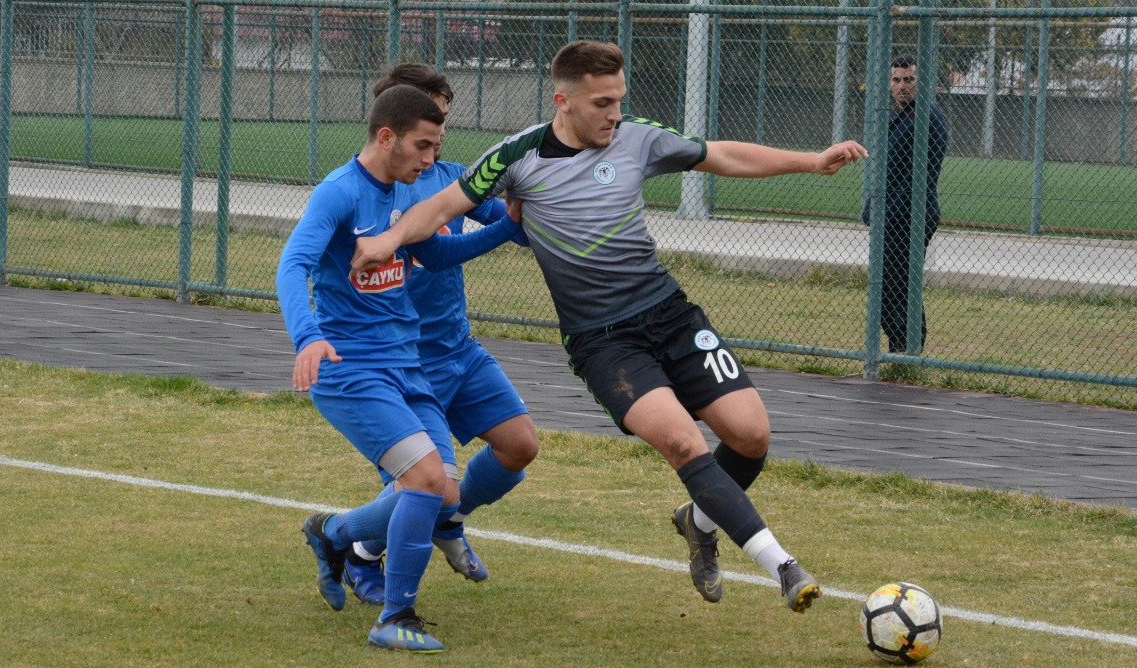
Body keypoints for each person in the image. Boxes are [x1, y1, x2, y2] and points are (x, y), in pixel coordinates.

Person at [353, 41, 868, 613]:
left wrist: (811, 160)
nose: (614, 113)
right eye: (602, 102)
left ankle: (697, 522)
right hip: (602, 340)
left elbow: (721, 155)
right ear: (563, 101)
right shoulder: (517, 156)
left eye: (619, 100)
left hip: (670, 315)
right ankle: (785, 567)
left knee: (751, 436)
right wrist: (388, 240)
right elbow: (442, 207)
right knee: (681, 440)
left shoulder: (638, 138)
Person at [274, 84, 520, 652]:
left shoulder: (407, 195)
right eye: (423, 145)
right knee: (426, 481)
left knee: (448, 495)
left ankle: (334, 533)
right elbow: (293, 265)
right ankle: (393, 617)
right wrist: (308, 336)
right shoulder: (338, 194)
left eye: (437, 147)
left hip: (408, 366)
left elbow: (435, 253)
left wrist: (510, 225)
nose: (431, 159)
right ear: (386, 137)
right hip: (352, 370)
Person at [335, 63, 539, 607]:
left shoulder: (454, 179)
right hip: (402, 362)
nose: (437, 140)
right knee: (421, 481)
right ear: (397, 122)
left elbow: (512, 226)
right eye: (431, 124)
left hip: (458, 348)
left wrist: (539, 208)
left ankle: (451, 521)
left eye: (443, 125)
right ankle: (358, 553)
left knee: (519, 445)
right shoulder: (370, 190)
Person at [863, 54, 947, 355]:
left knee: (899, 289)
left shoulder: (928, 119)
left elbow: (918, 181)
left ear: (921, 83)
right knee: (886, 290)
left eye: (909, 80)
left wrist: (884, 214)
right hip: (889, 217)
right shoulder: (896, 116)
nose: (902, 86)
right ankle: (900, 350)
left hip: (911, 218)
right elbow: (883, 172)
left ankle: (909, 351)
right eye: (897, 80)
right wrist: (872, 209)